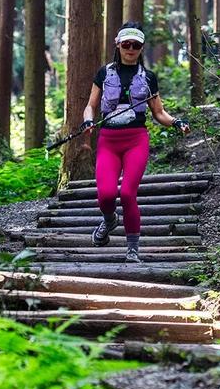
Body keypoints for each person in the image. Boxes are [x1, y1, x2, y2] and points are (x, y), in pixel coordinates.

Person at [81, 22, 190, 263]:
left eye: (136, 45)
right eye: (126, 44)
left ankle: (132, 250)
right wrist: (88, 120)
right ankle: (109, 220)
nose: (130, 49)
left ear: (141, 48)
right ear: (118, 45)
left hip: (136, 140)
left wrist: (176, 122)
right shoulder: (104, 73)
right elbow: (90, 105)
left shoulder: (148, 77)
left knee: (128, 193)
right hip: (108, 141)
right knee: (106, 195)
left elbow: (159, 113)